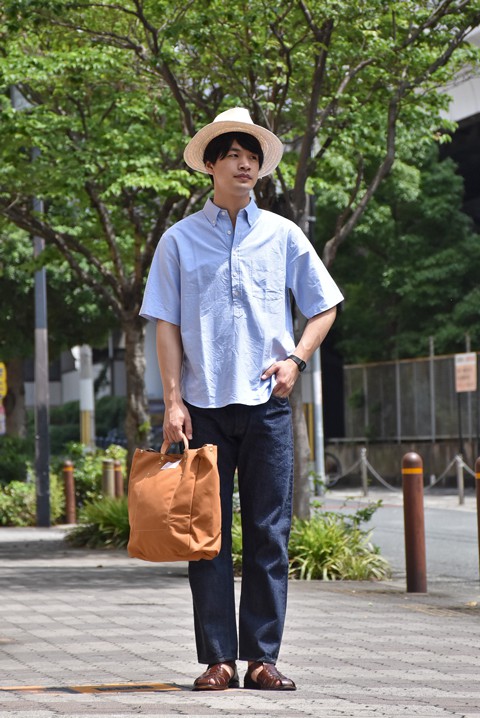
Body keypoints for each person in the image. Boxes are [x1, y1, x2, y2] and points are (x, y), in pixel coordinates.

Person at [140, 107, 343, 691]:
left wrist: (296, 359)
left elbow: (325, 305)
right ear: (211, 165)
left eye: (252, 155)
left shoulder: (283, 234)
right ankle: (218, 661)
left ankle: (261, 658)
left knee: (268, 533)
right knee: (205, 536)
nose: (245, 164)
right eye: (232, 154)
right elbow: (165, 325)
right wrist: (172, 401)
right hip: (202, 406)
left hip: (267, 405)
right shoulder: (178, 240)